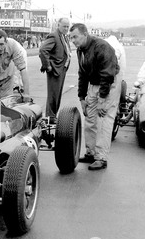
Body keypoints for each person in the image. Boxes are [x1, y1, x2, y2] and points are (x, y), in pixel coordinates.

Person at [69, 23, 119, 171]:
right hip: (93, 84)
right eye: (71, 37)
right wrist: (82, 98)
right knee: (90, 119)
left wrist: (103, 99)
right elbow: (82, 74)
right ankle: (91, 153)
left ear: (85, 34)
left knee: (103, 120)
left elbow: (107, 74)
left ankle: (101, 158)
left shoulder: (101, 47)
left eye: (75, 37)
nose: (73, 40)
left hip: (108, 85)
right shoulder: (80, 50)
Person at [39, 18, 72, 122]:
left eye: (67, 26)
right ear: (58, 25)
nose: (66, 28)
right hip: (55, 70)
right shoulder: (54, 36)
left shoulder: (64, 36)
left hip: (62, 69)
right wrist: (48, 66)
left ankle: (53, 116)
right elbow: (43, 50)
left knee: (57, 94)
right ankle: (50, 117)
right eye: (64, 26)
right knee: (53, 95)